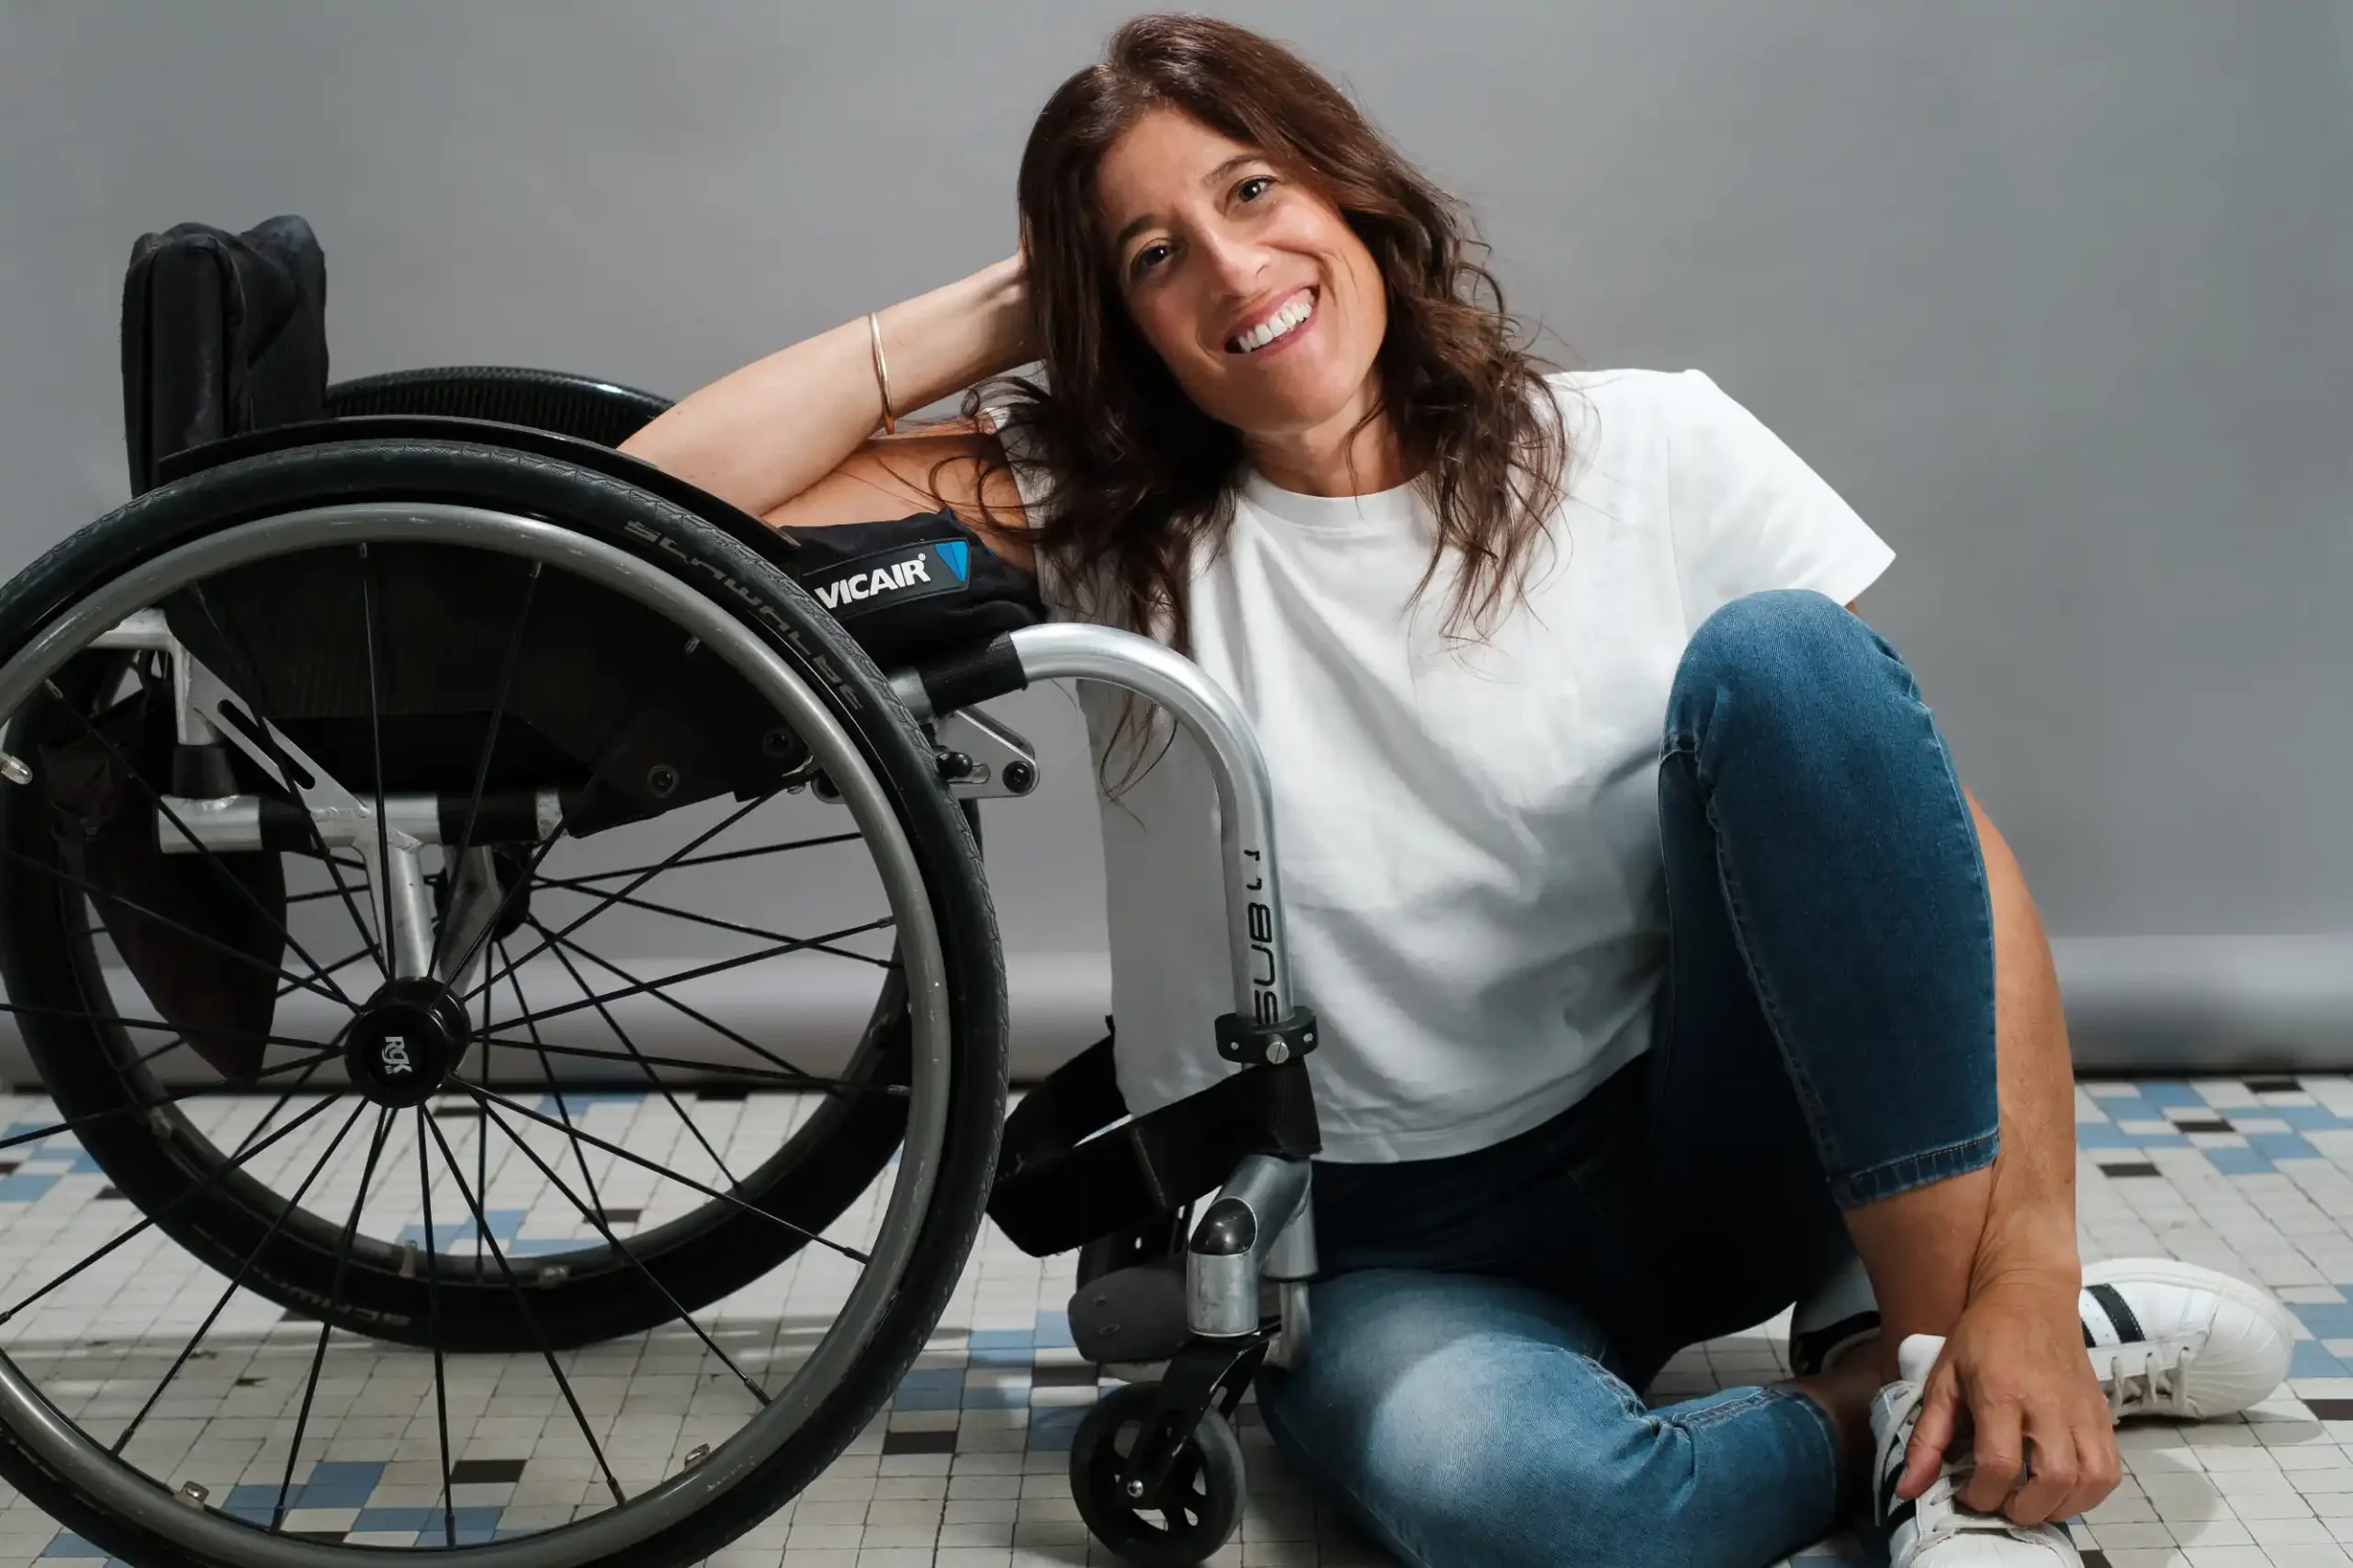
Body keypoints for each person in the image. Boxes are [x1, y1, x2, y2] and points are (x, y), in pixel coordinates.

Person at [622, 15, 2297, 1566]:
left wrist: (2030, 1262)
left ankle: (1970, 1406)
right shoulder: (1106, 525)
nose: (1234, 266)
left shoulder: (1652, 449)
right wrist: (1012, 301)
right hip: (1394, 1243)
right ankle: (1914, 1407)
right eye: (1154, 256)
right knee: (1529, 1505)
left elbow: (1936, 855)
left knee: (1790, 664)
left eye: (1253, 189)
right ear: (1116, 320)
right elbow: (652, 507)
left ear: (1351, 194)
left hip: (1709, 1138)